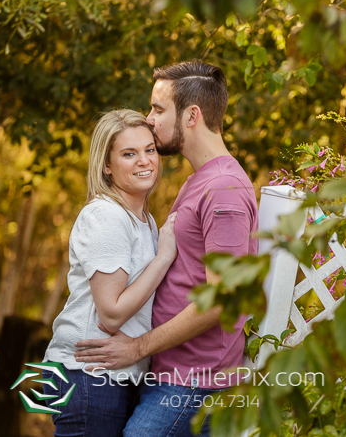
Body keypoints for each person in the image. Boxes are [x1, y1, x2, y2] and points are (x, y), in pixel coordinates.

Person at [74, 61, 259, 436]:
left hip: (195, 382)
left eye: (158, 109)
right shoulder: (201, 181)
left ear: (192, 116)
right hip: (173, 375)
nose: (150, 118)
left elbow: (224, 297)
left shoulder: (224, 190)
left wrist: (138, 347)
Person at [42, 109, 178, 436]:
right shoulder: (106, 216)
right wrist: (163, 258)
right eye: (129, 154)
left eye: (149, 150)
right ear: (107, 165)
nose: (144, 161)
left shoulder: (140, 220)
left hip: (109, 375)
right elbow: (112, 313)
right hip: (89, 375)